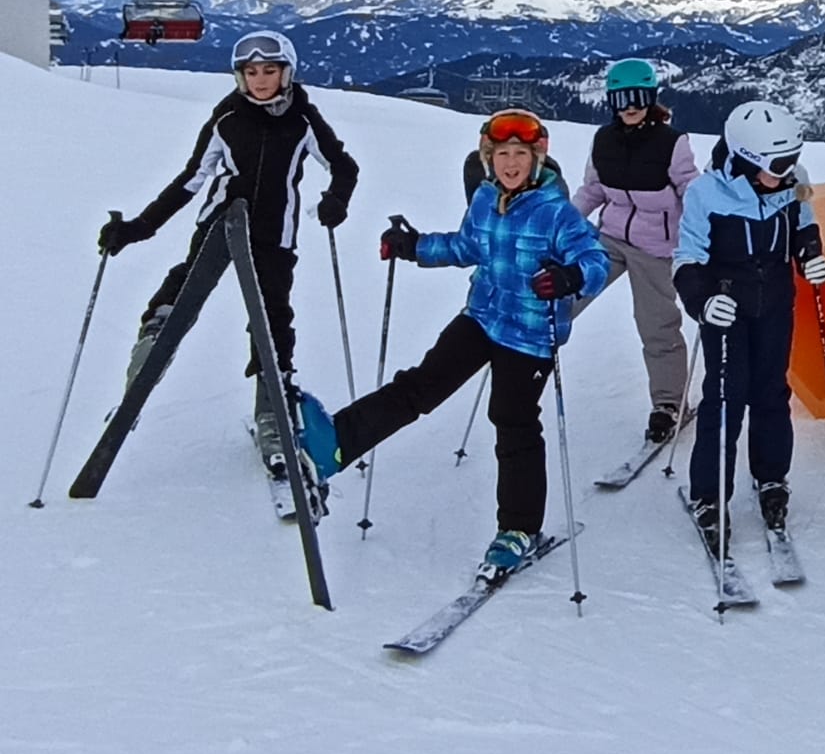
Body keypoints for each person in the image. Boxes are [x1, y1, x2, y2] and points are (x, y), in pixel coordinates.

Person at [294, 108, 610, 576]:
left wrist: (571, 277)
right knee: (420, 385)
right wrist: (414, 246)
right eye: (501, 154)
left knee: (513, 420)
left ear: (537, 159)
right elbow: (465, 247)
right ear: (489, 159)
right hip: (481, 317)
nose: (510, 163)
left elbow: (596, 260)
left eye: (520, 154)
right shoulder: (485, 198)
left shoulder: (557, 212)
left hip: (529, 336)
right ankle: (335, 443)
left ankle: (518, 529)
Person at [96, 30, 357, 482]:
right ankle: (138, 383)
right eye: (251, 72)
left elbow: (343, 166)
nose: (260, 80)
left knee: (273, 320)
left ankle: (273, 416)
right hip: (221, 224)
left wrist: (337, 199)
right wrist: (140, 227)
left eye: (269, 70)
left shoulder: (303, 119)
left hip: (273, 234)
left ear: (287, 73)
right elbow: (191, 179)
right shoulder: (228, 116)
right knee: (177, 295)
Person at [671, 100, 825, 559]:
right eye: (779, 164)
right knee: (725, 398)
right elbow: (687, 259)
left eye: (792, 160)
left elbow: (804, 225)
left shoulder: (792, 182)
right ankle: (709, 495)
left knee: (771, 392)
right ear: (745, 159)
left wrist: (810, 255)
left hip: (776, 303)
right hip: (726, 309)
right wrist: (703, 301)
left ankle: (771, 476)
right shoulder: (706, 194)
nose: (789, 171)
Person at [572, 58, 701, 444]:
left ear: (650, 98)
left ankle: (668, 404)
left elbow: (691, 190)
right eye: (622, 99)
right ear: (611, 101)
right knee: (567, 291)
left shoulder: (672, 143)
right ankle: (524, 351)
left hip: (656, 248)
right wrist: (561, 222)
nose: (630, 106)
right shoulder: (604, 140)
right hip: (610, 238)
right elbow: (592, 190)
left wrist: (707, 230)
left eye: (638, 98)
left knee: (657, 325)